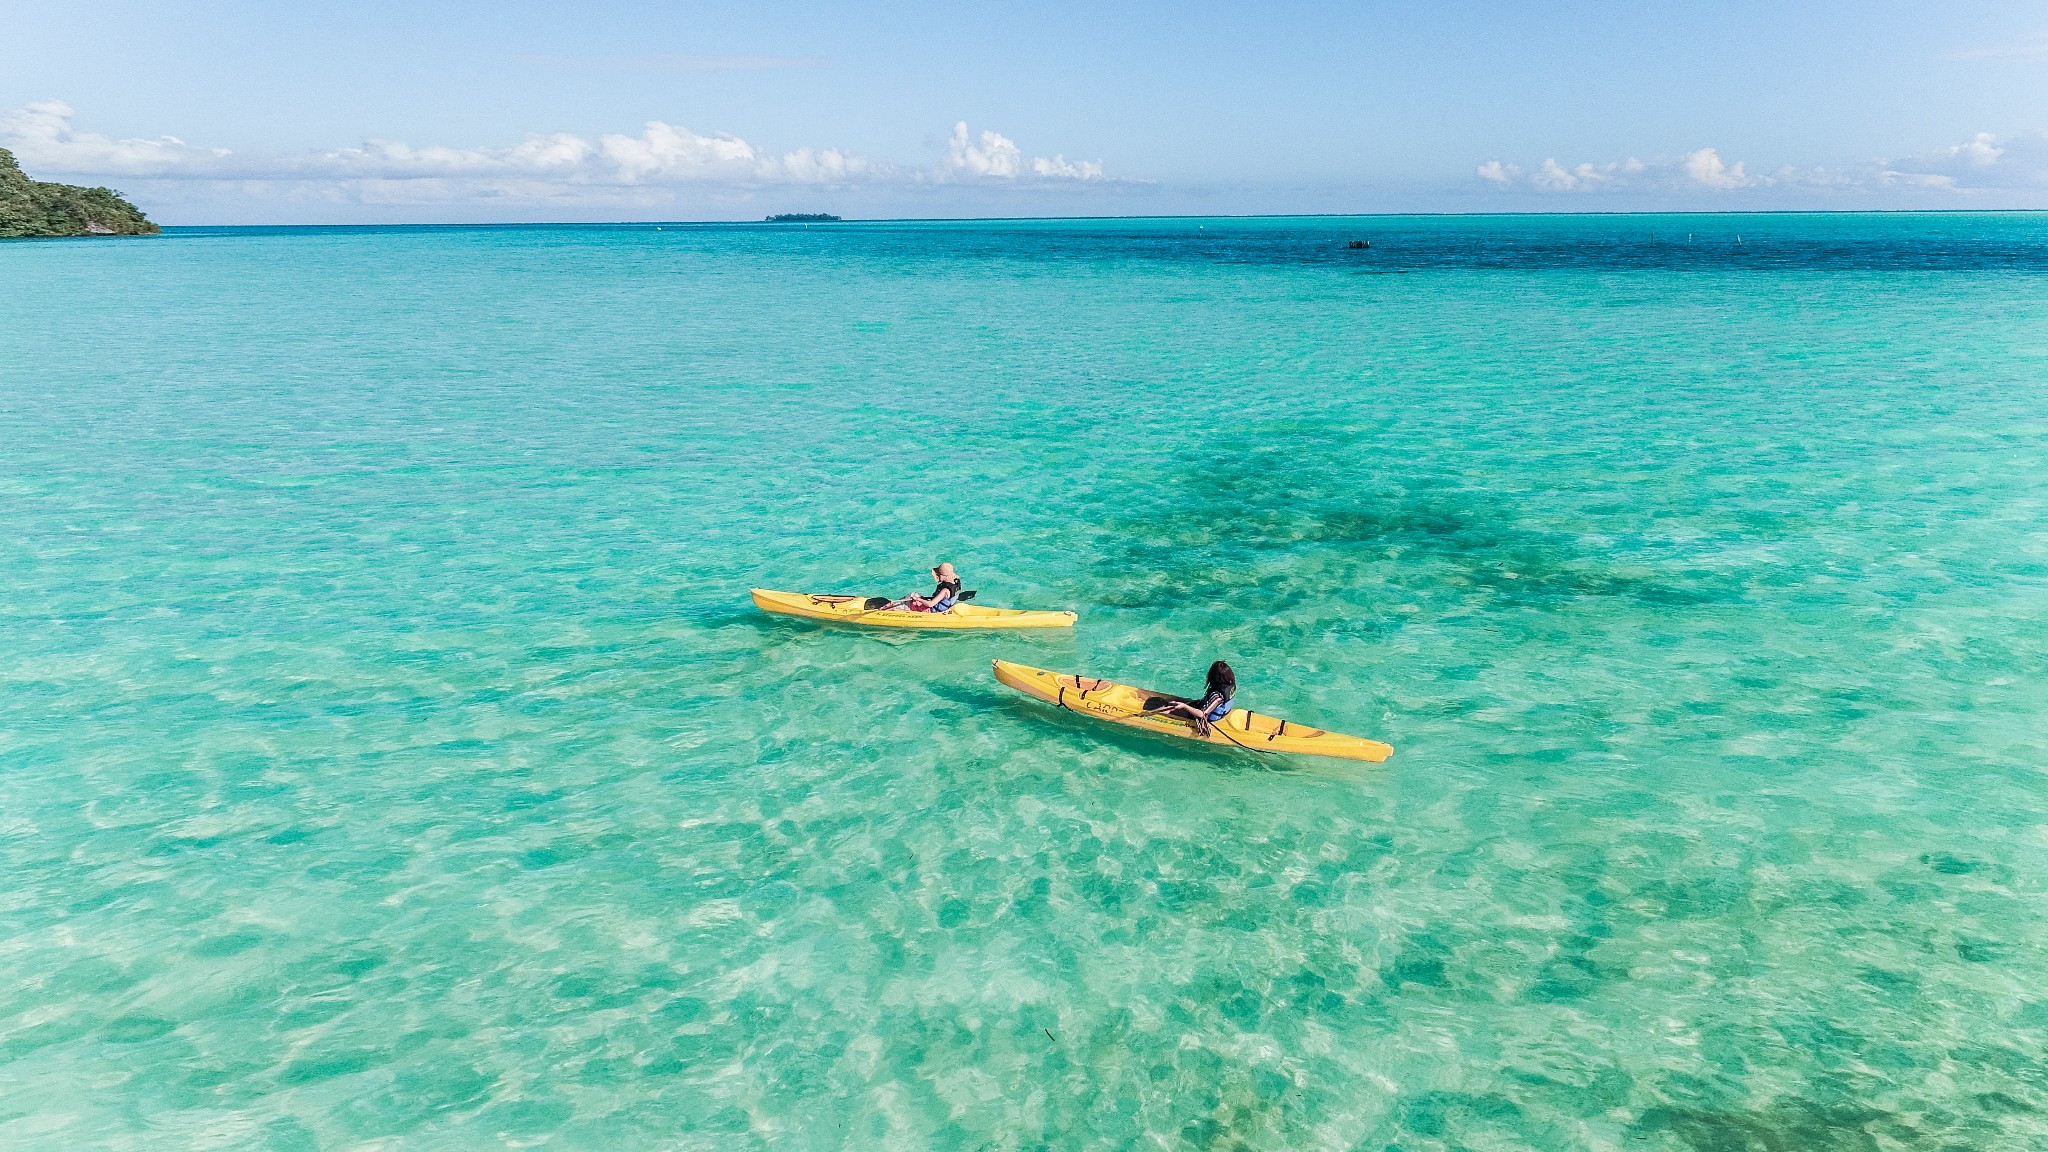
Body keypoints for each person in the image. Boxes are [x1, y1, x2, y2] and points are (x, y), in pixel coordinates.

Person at [1143, 660, 1236, 737]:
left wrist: (1184, 706)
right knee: (1176, 699)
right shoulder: (1230, 683)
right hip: (1211, 709)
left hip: (1206, 716)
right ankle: (1144, 698)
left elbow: (1201, 714)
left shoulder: (1217, 696)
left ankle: (1144, 711)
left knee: (1169, 710)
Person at [888, 563, 963, 613]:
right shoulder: (955, 583)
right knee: (913, 594)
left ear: (944, 576)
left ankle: (891, 607)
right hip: (941, 607)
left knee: (910, 602)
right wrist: (922, 598)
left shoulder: (945, 590)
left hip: (931, 610)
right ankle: (895, 603)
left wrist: (918, 599)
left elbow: (930, 604)